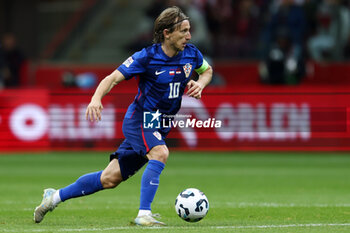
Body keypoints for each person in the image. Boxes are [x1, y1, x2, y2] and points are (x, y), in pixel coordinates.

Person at [33, 6, 212, 226]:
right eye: (183, 31)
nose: (189, 36)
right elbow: (113, 78)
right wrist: (96, 98)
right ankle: (144, 214)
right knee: (160, 152)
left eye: (189, 30)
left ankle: (54, 197)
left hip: (160, 123)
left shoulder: (191, 53)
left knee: (109, 179)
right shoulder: (146, 57)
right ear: (167, 33)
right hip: (141, 120)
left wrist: (201, 83)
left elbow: (207, 70)